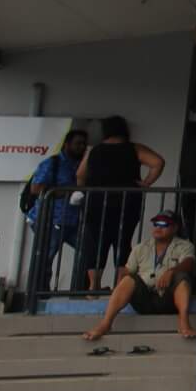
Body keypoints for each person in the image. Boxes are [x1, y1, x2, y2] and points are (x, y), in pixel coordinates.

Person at [75, 116, 166, 292]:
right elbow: (158, 162)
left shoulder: (94, 151)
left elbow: (80, 175)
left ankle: (93, 287)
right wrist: (146, 183)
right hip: (126, 202)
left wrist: (86, 191)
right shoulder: (133, 149)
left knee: (97, 244)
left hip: (96, 203)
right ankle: (120, 288)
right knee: (122, 243)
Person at [81, 211, 196, 342]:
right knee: (128, 279)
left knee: (181, 277)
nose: (158, 227)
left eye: (164, 224)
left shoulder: (184, 246)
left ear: (175, 228)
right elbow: (127, 271)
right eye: (156, 223)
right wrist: (119, 287)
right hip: (146, 299)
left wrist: (171, 272)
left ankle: (184, 323)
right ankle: (105, 324)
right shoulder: (140, 248)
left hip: (169, 299)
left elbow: (190, 263)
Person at [26, 128, 89, 291]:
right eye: (77, 144)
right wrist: (67, 191)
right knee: (45, 258)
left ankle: (79, 290)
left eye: (83, 144)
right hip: (50, 218)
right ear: (67, 144)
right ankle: (39, 294)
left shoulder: (82, 165)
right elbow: (35, 188)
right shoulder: (52, 163)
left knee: (89, 250)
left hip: (73, 220)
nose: (81, 147)